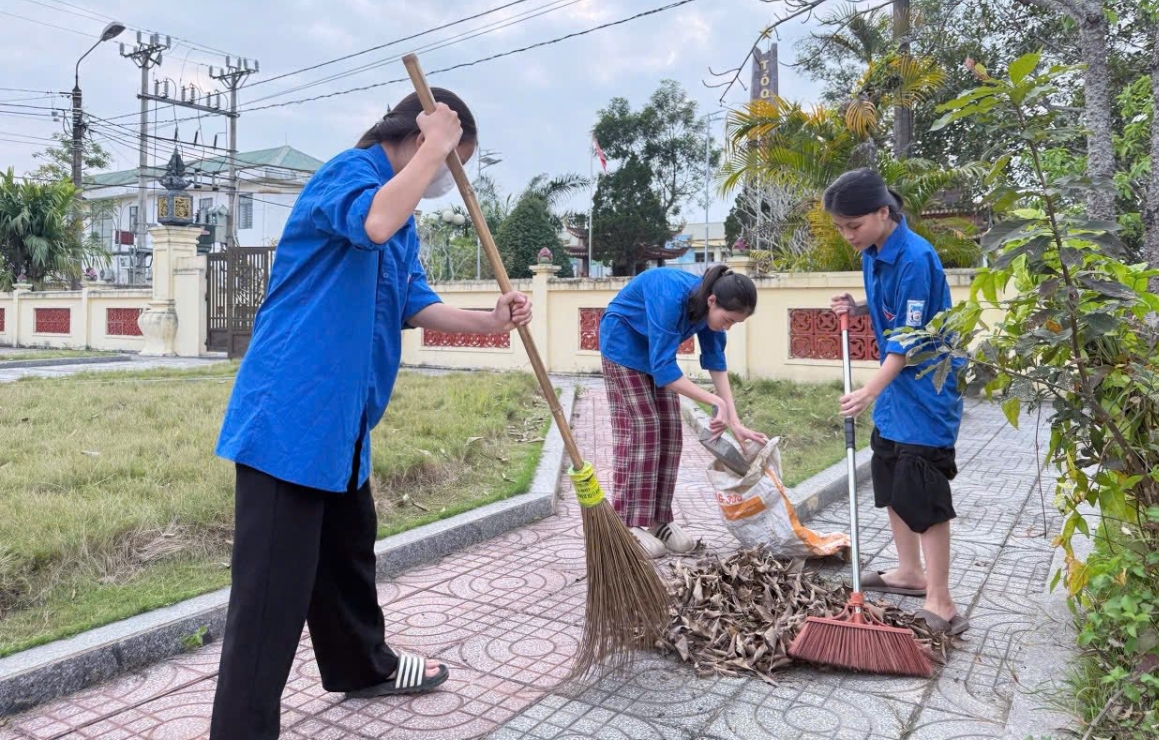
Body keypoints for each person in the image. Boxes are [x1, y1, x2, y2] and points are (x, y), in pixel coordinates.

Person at [208, 89, 532, 740]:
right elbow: (373, 223)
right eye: (450, 163)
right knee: (269, 604)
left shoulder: (404, 211)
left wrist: (488, 322)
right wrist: (437, 148)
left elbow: (414, 301)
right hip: (290, 424)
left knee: (348, 561)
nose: (448, 179)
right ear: (419, 136)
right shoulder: (349, 175)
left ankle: (363, 665)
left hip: (344, 430)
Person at [824, 168, 968, 636]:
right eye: (841, 228)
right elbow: (886, 305)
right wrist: (858, 307)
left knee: (922, 490)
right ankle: (909, 572)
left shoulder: (916, 258)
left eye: (854, 226)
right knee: (889, 475)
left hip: (925, 389)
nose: (848, 237)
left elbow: (906, 342)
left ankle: (942, 601)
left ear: (883, 212)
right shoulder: (873, 250)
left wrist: (868, 389)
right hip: (895, 395)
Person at [599, 264, 767, 558]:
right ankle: (628, 523)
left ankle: (658, 521)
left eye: (733, 324)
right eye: (727, 320)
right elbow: (665, 368)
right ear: (712, 301)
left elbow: (715, 361)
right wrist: (715, 403)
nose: (727, 327)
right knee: (644, 428)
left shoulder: (712, 310)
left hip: (654, 353)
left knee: (672, 433)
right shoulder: (670, 295)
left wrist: (735, 422)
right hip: (622, 344)